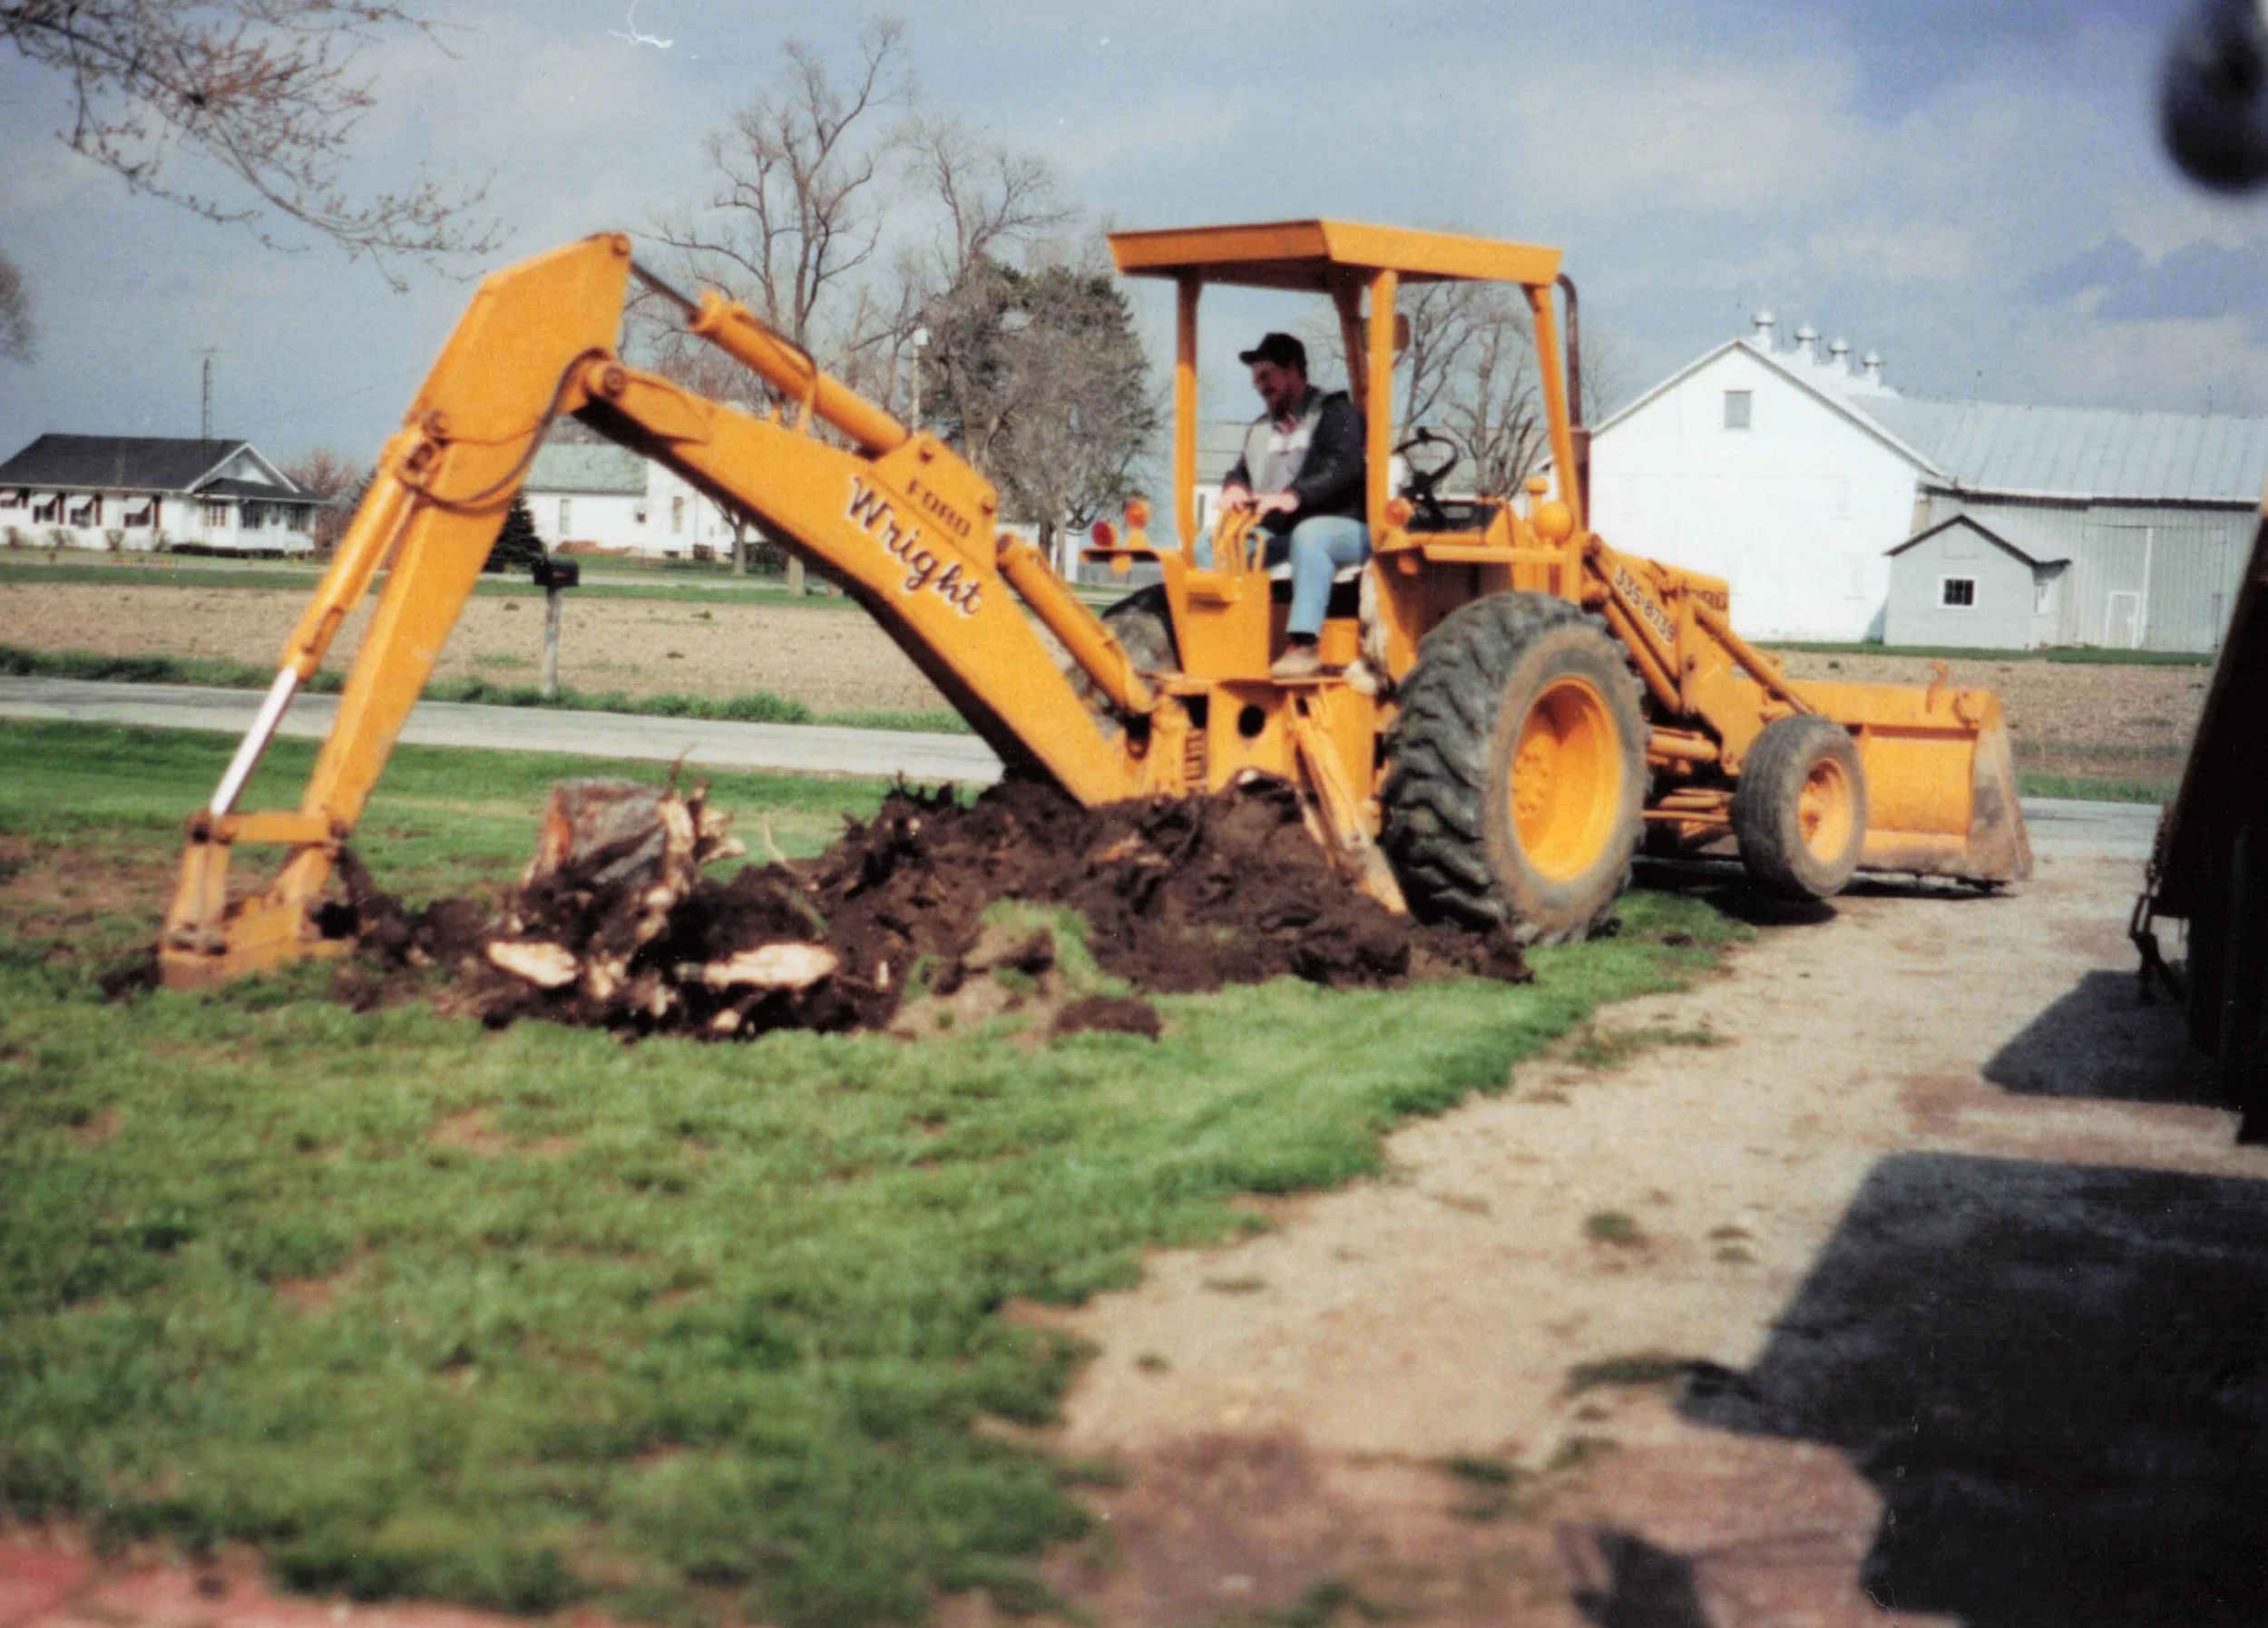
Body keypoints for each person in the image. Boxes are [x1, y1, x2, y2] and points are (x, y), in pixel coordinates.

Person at [1217, 332, 1368, 678]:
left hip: (1347, 529)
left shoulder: (1336, 414)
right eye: (1255, 378)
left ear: (1293, 370)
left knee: (1310, 535)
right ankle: (1227, 641)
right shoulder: (1261, 430)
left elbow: (1342, 467)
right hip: (1284, 532)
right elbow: (1241, 470)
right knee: (1215, 543)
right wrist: (1235, 488)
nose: (1258, 385)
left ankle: (1303, 644)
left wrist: (1294, 496)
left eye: (1266, 376)